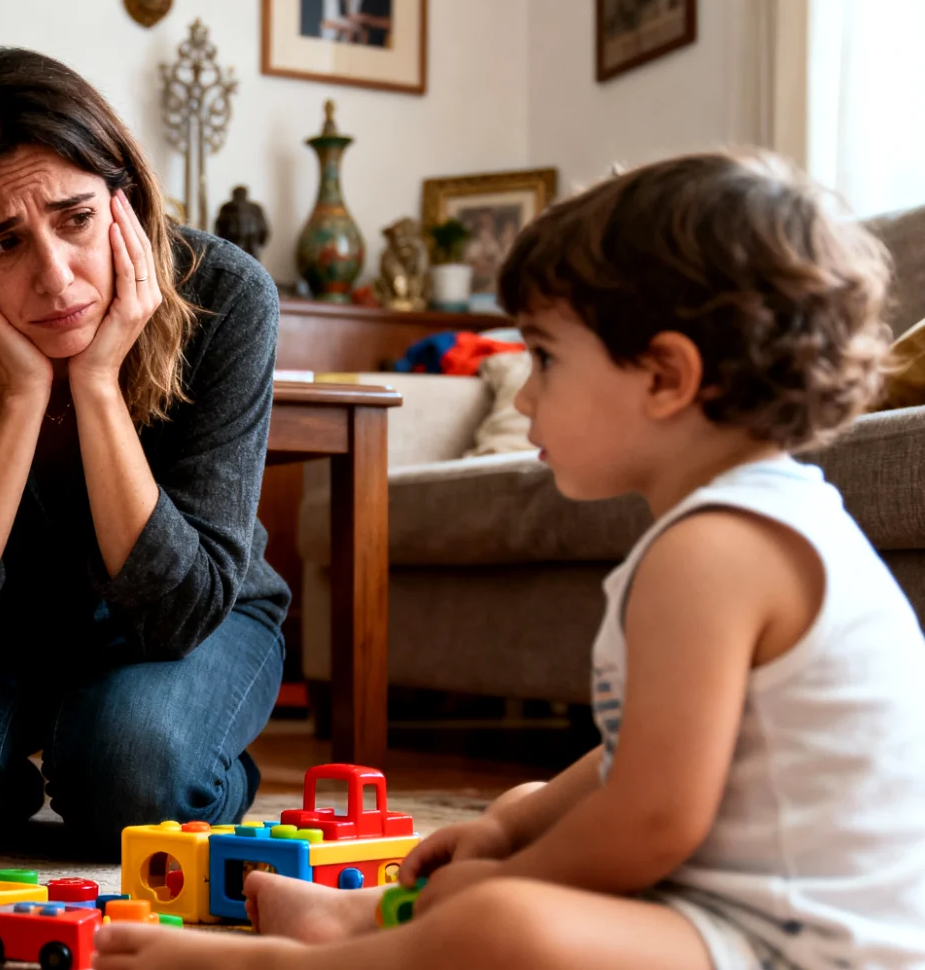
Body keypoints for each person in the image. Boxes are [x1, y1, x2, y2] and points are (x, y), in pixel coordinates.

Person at [90, 153, 925, 970]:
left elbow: (652, 821)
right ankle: (366, 919)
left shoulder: (714, 551)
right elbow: (631, 757)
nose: (524, 395)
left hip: (799, 942)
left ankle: (307, 957)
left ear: (667, 376)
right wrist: (507, 832)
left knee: (504, 917)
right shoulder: (753, 518)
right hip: (748, 899)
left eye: (547, 360)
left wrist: (497, 881)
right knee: (527, 807)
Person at [0, 47, 290, 861]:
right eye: (1, 244)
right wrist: (19, 393)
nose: (56, 277)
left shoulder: (228, 293)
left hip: (195, 619)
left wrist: (100, 383)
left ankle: (154, 764)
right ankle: (56, 768)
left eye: (76, 220)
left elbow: (180, 610)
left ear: (125, 199)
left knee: (136, 775)